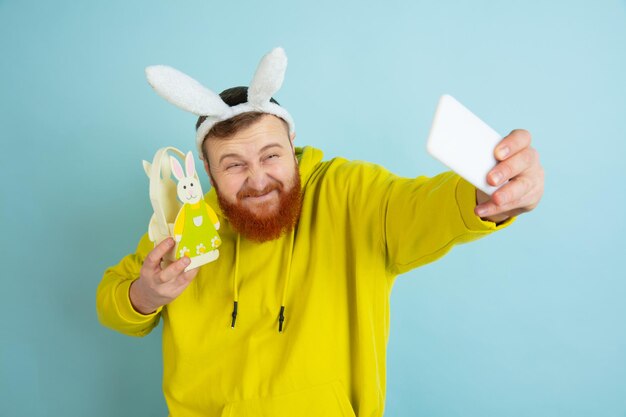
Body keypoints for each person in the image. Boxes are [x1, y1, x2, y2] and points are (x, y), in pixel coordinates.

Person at [96, 48, 544, 417]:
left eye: (271, 155)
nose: (257, 179)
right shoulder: (189, 223)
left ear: (292, 148)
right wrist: (146, 295)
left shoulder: (348, 194)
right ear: (209, 174)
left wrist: (487, 194)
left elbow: (420, 209)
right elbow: (113, 300)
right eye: (233, 164)